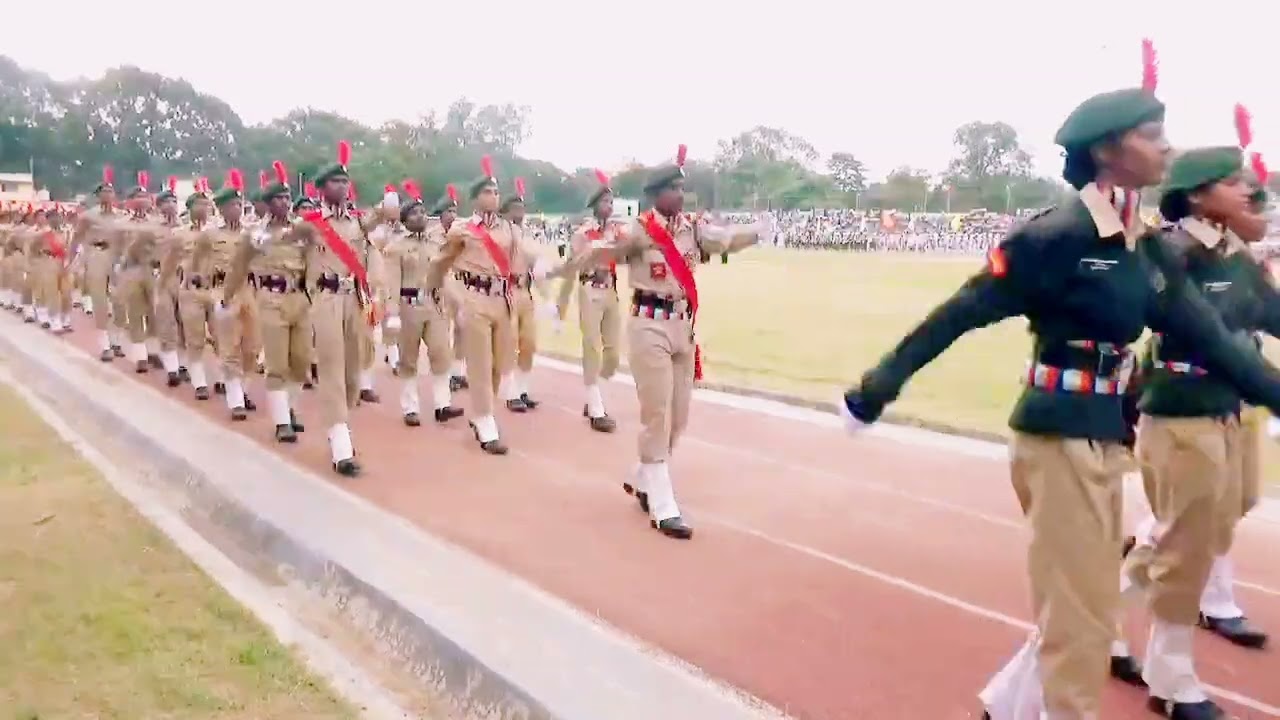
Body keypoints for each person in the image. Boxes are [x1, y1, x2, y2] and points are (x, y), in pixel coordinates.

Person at [841, 44, 1280, 720]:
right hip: (1057, 437)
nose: (1169, 148)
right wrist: (876, 388)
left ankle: (1007, 708)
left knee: (1089, 599)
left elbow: (1217, 341)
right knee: (1082, 626)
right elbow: (959, 313)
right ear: (1107, 151)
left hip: (1104, 438)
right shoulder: (1056, 238)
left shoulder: (1145, 247)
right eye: (1153, 136)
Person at [557, 144, 763, 539]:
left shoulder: (692, 229)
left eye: (682, 189)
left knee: (679, 417)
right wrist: (566, 264)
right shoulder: (638, 231)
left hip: (683, 328)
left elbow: (723, 242)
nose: (680, 196)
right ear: (655, 195)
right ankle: (662, 504)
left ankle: (642, 473)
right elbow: (604, 251)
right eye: (673, 189)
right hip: (647, 324)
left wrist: (756, 232)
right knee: (658, 413)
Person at [422, 156, 545, 455]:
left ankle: (481, 412)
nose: (494, 197)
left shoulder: (511, 229)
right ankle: (486, 420)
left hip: (503, 300)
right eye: (488, 192)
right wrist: (437, 292)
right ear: (475, 198)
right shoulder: (462, 229)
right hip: (472, 297)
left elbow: (527, 254)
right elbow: (440, 263)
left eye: (496, 192)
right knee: (479, 362)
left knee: (499, 363)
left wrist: (542, 266)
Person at [291, 141, 389, 476]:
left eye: (346, 182)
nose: (343, 187)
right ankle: (341, 446)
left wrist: (389, 206)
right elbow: (284, 241)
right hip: (327, 299)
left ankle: (338, 423)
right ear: (321, 189)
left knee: (353, 373)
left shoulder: (358, 223)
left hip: (355, 300)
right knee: (331, 368)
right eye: (335, 182)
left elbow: (380, 222)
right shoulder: (310, 223)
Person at [224, 161, 309, 442]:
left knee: (300, 362)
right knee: (276, 362)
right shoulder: (255, 235)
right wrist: (225, 298)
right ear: (267, 203)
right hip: (270, 298)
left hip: (300, 298)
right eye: (279, 198)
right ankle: (282, 422)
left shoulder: (302, 230)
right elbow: (238, 267)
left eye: (287, 197)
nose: (285, 202)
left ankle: (290, 408)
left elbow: (315, 263)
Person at [384, 180, 464, 427]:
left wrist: (457, 305)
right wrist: (393, 312)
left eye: (422, 211)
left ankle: (442, 404)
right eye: (414, 213)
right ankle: (410, 407)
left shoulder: (436, 244)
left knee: (441, 354)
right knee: (409, 359)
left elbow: (445, 276)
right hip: (409, 305)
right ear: (405, 219)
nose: (420, 216)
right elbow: (391, 283)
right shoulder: (395, 248)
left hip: (435, 304)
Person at [554, 169, 622, 432]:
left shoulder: (618, 232)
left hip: (611, 291)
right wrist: (562, 306)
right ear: (595, 206)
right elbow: (571, 268)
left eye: (611, 202)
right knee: (592, 346)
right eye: (605, 202)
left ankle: (596, 393)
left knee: (613, 353)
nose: (609, 206)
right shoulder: (583, 234)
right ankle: (596, 407)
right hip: (590, 289)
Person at [500, 177, 544, 410]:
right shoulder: (501, 235)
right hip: (506, 292)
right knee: (509, 343)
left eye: (522, 208)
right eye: (515, 208)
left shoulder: (527, 234)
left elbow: (537, 264)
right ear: (505, 212)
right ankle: (510, 392)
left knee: (529, 343)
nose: (520, 212)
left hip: (525, 291)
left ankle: (523, 388)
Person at [73, 167, 123, 361]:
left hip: (116, 255)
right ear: (97, 195)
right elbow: (76, 239)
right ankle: (104, 345)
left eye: (110, 191)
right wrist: (71, 261)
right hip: (96, 254)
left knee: (119, 301)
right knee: (100, 300)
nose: (108, 195)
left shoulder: (121, 216)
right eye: (104, 192)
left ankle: (116, 341)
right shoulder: (88, 216)